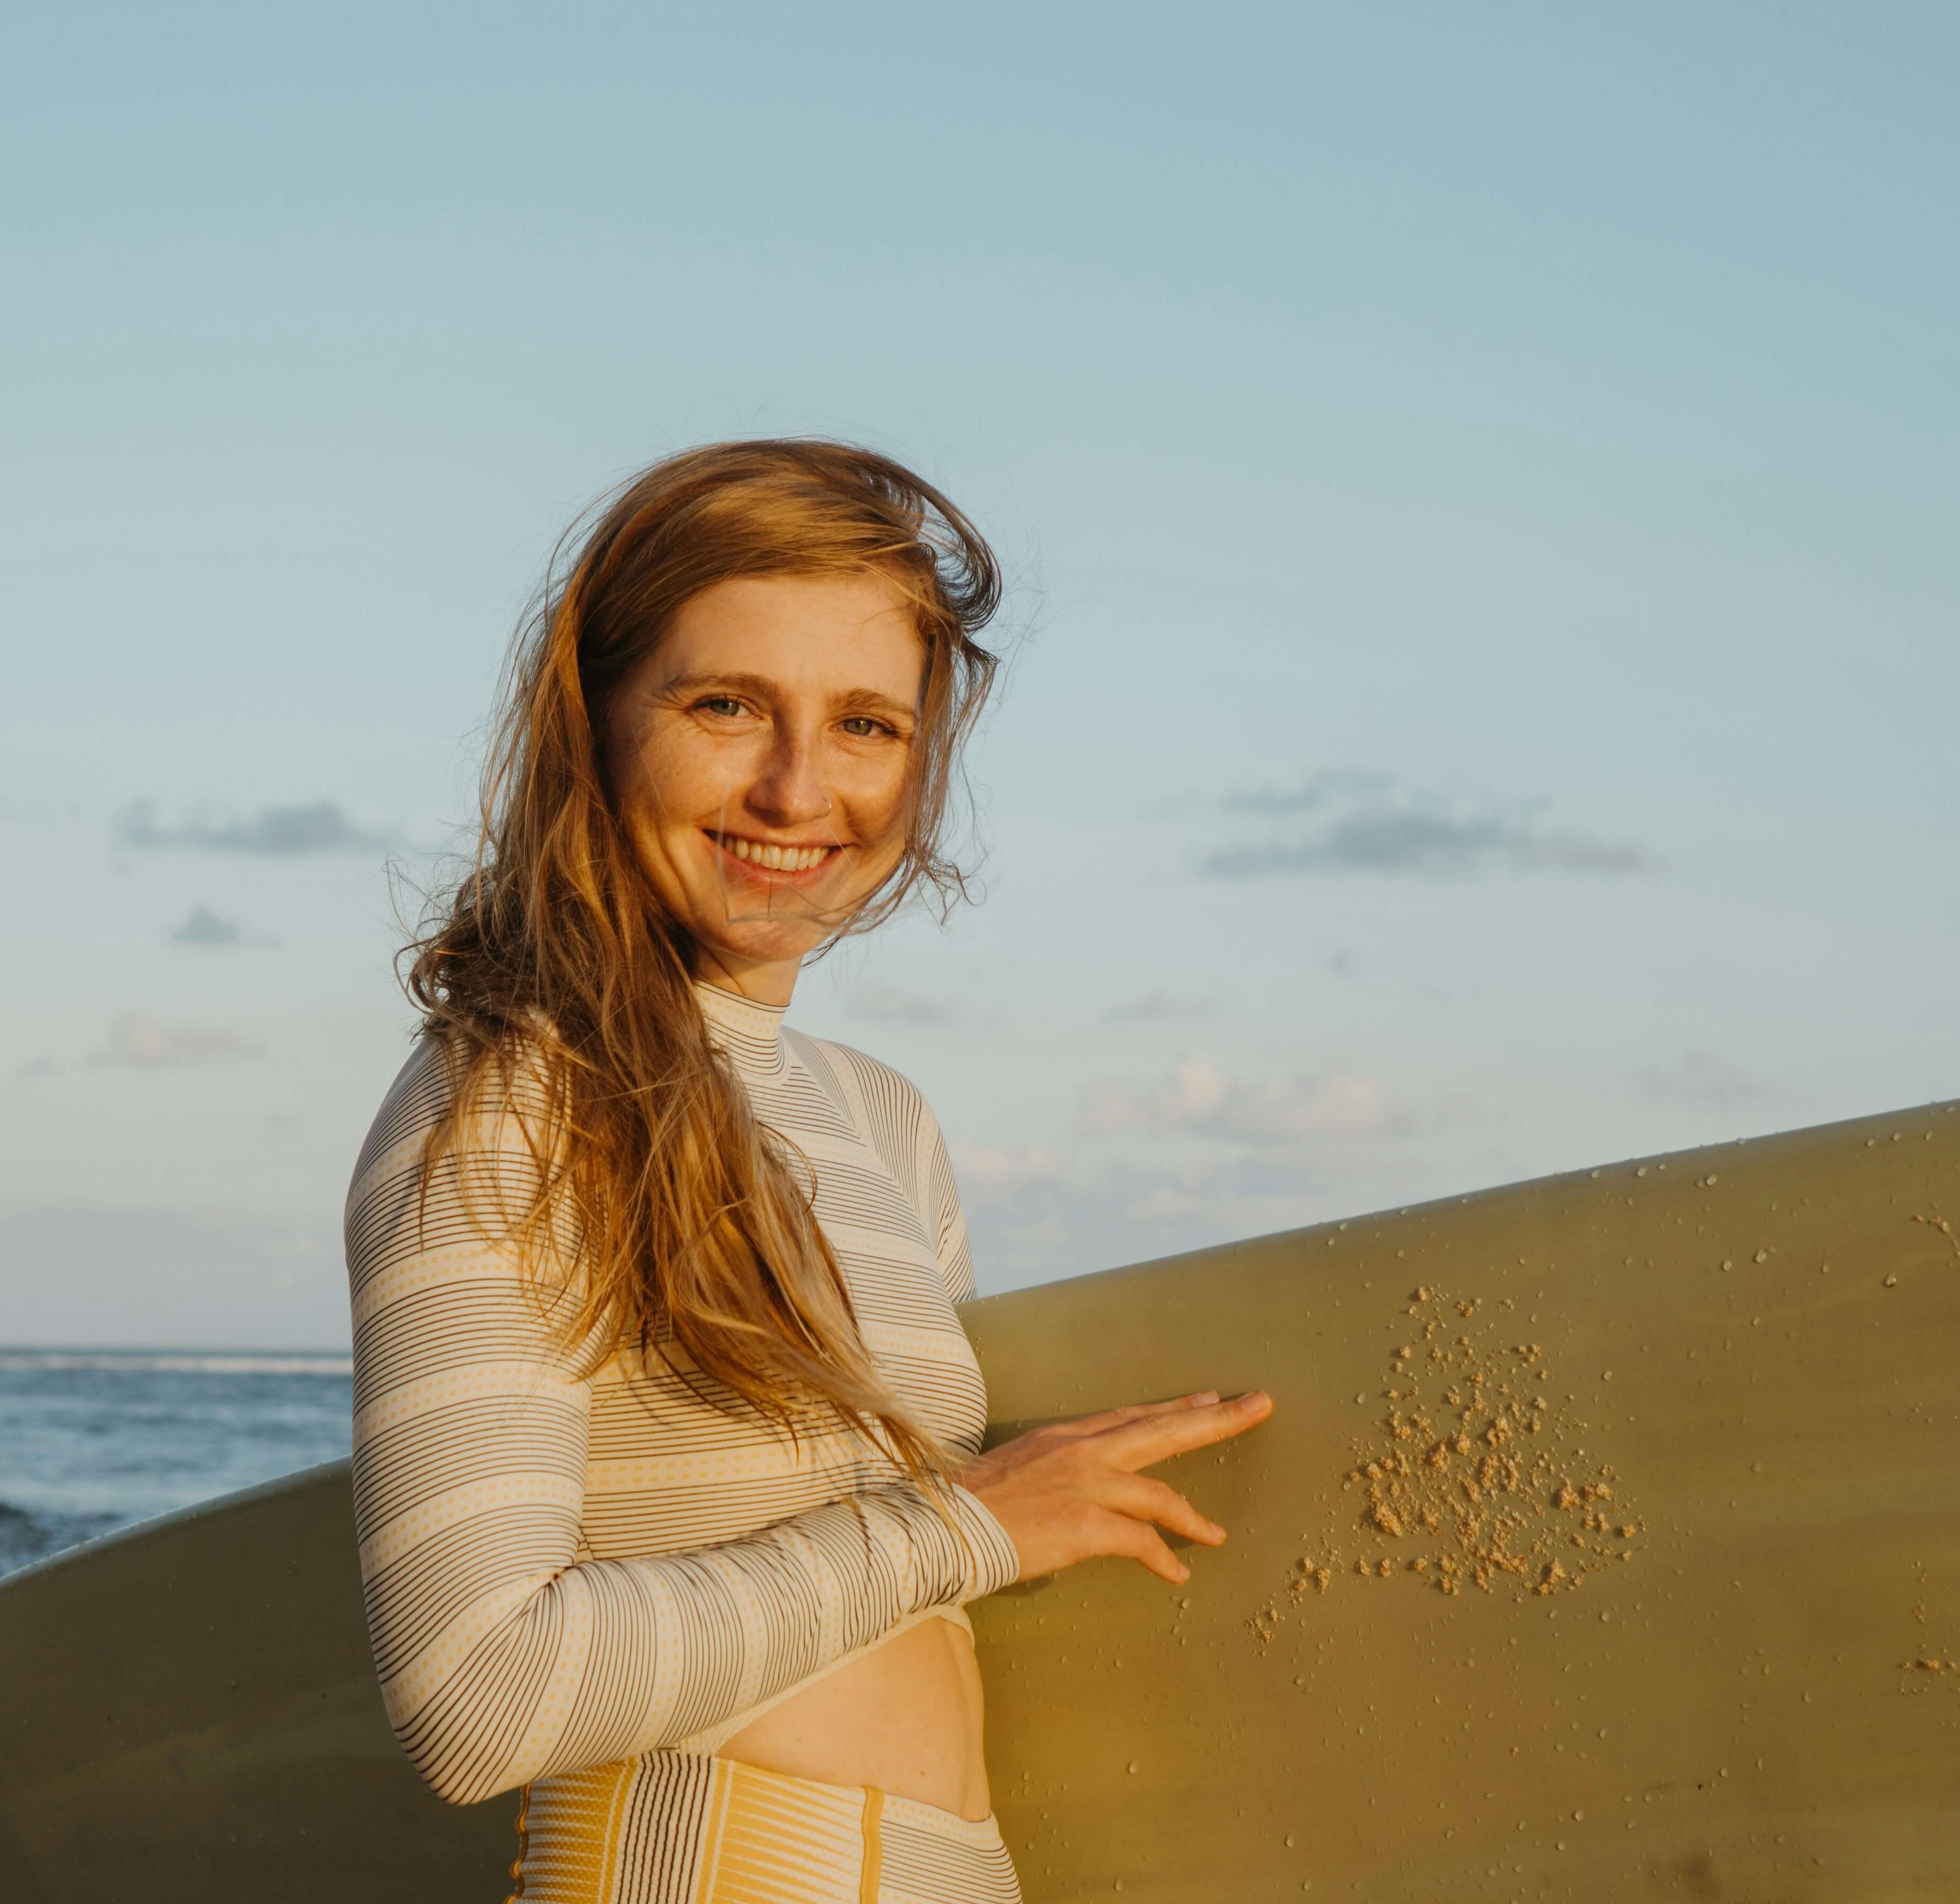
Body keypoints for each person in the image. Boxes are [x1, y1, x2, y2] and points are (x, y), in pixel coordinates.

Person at [346, 440, 1273, 1903]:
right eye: (727, 707)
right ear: (595, 723)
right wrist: (966, 1522)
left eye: (866, 726)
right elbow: (479, 1697)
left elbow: (919, 1591)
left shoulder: (883, 1120)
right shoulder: (511, 1096)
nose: (797, 789)